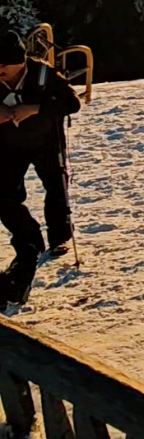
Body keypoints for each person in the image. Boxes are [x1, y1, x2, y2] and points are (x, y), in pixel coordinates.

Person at [0, 30, 81, 306]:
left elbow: (72, 103)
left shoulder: (44, 74)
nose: (0, 70)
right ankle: (29, 240)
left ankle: (59, 236)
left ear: (21, 61)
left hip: (45, 140)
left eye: (4, 65)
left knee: (55, 186)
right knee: (4, 196)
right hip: (8, 145)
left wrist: (34, 108)